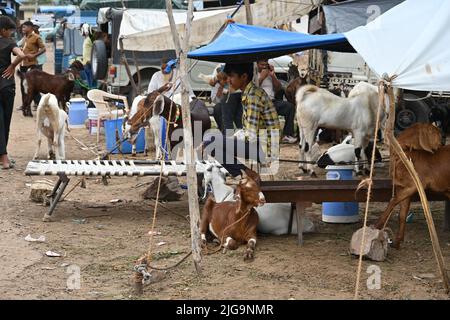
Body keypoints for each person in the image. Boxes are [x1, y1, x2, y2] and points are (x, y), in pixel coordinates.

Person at [201, 62, 280, 177]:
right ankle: (246, 173)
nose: (228, 80)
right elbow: (247, 130)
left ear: (243, 77)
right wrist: (227, 140)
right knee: (211, 141)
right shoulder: (249, 93)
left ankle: (247, 175)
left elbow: (251, 136)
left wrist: (225, 140)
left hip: (266, 149)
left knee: (210, 142)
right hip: (261, 144)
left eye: (232, 76)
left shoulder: (253, 96)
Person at [0, 16, 28, 169]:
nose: (11, 33)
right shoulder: (9, 42)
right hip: (7, 87)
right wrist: (12, 66)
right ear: (3, 30)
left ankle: (3, 158)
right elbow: (22, 55)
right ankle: (4, 159)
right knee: (5, 122)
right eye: (10, 30)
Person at [257, 58, 297, 144]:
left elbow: (278, 88)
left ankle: (287, 135)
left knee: (290, 107)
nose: (264, 67)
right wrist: (262, 77)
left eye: (265, 65)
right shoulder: (254, 75)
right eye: (261, 65)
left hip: (272, 101)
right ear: (257, 65)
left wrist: (272, 75)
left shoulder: (269, 74)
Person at [19, 21, 46, 109]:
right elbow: (23, 48)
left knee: (32, 87)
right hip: (23, 64)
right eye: (22, 27)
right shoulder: (24, 37)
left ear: (30, 27)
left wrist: (34, 55)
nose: (23, 29)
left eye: (24, 27)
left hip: (32, 64)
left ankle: (41, 105)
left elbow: (43, 48)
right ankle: (25, 105)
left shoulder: (36, 37)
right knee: (23, 86)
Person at [210, 64, 243, 134]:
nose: (227, 80)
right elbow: (216, 99)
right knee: (237, 120)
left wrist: (216, 80)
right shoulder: (220, 68)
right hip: (237, 94)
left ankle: (229, 138)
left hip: (235, 94)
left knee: (229, 121)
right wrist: (220, 84)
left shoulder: (226, 65)